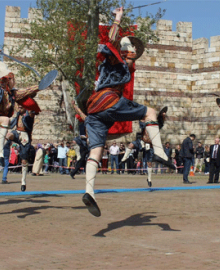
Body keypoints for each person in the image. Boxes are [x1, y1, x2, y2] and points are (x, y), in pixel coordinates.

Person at [80, 7, 174, 217]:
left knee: (95, 152)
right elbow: (111, 42)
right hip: (108, 101)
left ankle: (89, 192)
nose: (134, 62)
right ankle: (159, 153)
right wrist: (118, 19)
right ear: (127, 54)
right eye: (133, 57)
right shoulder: (116, 60)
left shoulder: (118, 66)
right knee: (150, 112)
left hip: (94, 111)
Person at [0, 47, 47, 206]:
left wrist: (41, 85)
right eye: (11, 77)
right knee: (5, 120)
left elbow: (26, 92)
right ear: (6, 78)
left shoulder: (13, 94)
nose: (13, 80)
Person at [6, 103, 38, 191]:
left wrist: (32, 111)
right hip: (17, 132)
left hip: (25, 136)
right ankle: (0, 152)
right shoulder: (17, 114)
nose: (19, 107)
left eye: (21, 106)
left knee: (24, 161)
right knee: (8, 135)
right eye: (18, 106)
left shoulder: (29, 114)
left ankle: (23, 182)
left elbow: (31, 114)